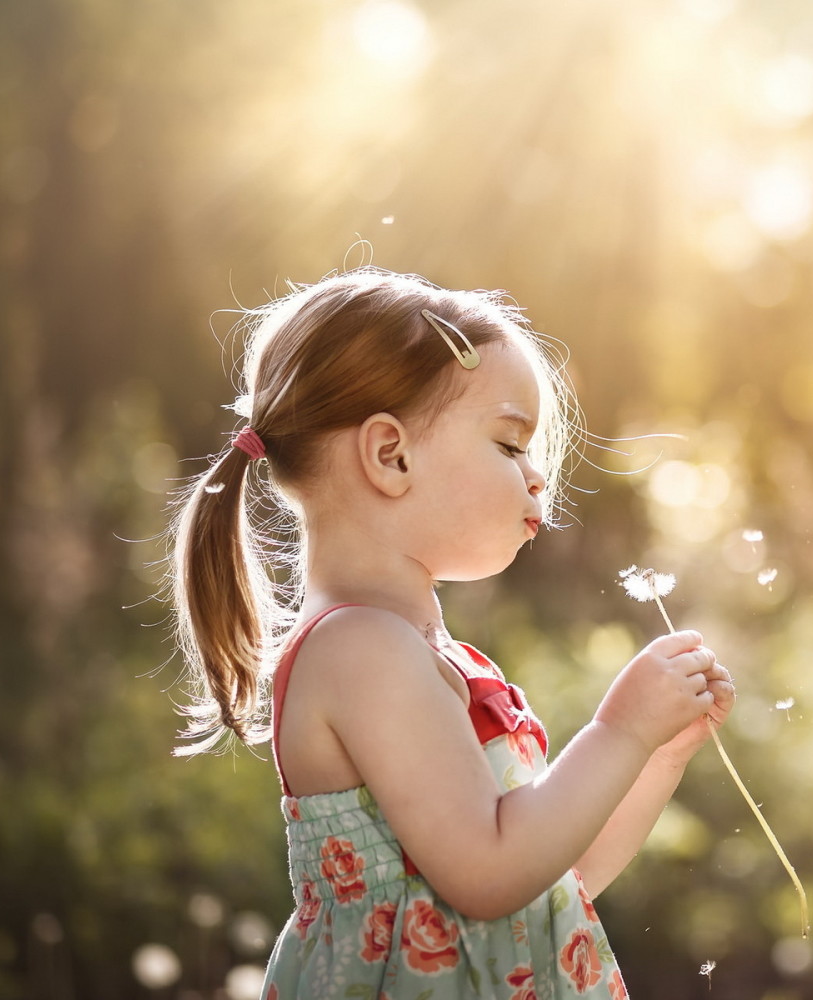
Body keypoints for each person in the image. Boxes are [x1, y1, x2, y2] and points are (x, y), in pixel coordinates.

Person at [165, 267, 735, 999]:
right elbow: (491, 873)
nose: (538, 477)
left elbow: (552, 872)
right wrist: (620, 730)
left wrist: (655, 755)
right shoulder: (361, 651)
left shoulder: (428, 653)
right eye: (508, 445)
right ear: (390, 456)